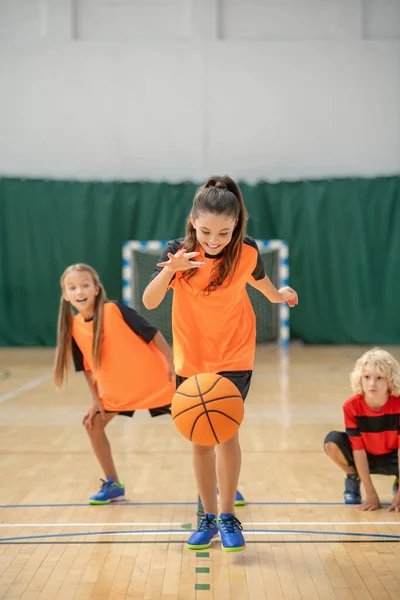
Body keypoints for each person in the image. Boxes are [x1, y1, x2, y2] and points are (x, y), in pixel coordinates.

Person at [143, 175, 298, 551]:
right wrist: (171, 269)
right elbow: (149, 302)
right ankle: (206, 518)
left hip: (234, 354)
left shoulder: (245, 252)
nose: (214, 240)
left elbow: (259, 281)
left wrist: (281, 296)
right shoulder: (179, 253)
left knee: (225, 433)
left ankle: (228, 516)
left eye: (224, 232)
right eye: (207, 230)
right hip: (191, 358)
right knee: (199, 439)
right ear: (193, 221)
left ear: (237, 227)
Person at [54, 263, 175, 505]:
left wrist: (172, 362)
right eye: (73, 287)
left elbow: (152, 333)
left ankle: (221, 487)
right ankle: (113, 485)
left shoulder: (115, 310)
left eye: (85, 285)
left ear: (97, 289)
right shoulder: (74, 329)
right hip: (119, 393)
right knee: (92, 423)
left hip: (160, 383)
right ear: (66, 296)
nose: (80, 291)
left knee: (201, 427)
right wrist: (95, 400)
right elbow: (87, 369)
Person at [324, 347, 400, 512]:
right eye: (367, 377)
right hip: (365, 457)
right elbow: (357, 449)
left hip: (394, 458)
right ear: (360, 378)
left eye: (379, 378)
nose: (372, 384)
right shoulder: (351, 407)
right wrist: (370, 491)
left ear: (390, 380)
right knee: (332, 442)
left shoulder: (398, 405)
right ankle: (353, 476)